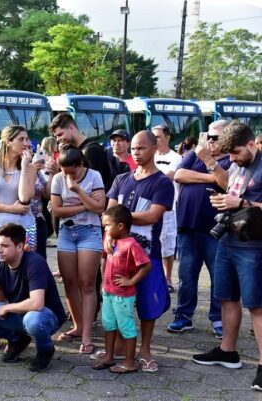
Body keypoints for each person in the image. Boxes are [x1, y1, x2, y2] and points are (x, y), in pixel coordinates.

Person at [192, 122, 262, 392]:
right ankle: (227, 352)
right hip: (229, 240)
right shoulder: (236, 165)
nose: (231, 158)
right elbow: (231, 187)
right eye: (229, 154)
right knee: (227, 297)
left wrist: (243, 204)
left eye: (235, 153)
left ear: (252, 144)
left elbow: (244, 200)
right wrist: (223, 200)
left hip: (254, 245)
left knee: (256, 306)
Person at [106, 130, 174, 373]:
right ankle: (121, 348)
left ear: (155, 148)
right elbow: (108, 214)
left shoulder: (163, 182)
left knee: (147, 305)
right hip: (117, 257)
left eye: (141, 148)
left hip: (146, 255)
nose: (136, 152)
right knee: (116, 302)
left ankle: (145, 349)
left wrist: (119, 219)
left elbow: (152, 216)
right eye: (134, 148)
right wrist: (108, 234)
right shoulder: (121, 179)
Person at [0, 223, 66, 372]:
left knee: (32, 319)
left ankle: (45, 350)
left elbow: (37, 303)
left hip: (47, 316)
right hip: (22, 313)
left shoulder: (35, 263)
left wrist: (6, 307)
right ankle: (17, 340)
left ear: (19, 247)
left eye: (5, 246)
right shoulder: (1, 264)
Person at [0, 124, 40, 352]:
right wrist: (9, 209)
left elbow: (25, 198)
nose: (27, 143)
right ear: (8, 141)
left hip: (23, 231)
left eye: (27, 139)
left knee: (22, 282)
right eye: (22, 139)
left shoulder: (30, 167)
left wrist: (25, 166)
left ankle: (19, 332)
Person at [168, 120, 231, 338]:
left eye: (216, 137)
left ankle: (218, 318)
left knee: (218, 276)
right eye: (210, 137)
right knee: (186, 275)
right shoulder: (195, 153)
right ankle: (183, 316)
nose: (211, 141)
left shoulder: (232, 159)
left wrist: (209, 162)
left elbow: (228, 183)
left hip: (216, 230)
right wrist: (211, 176)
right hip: (188, 226)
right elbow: (179, 175)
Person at [48, 145, 106, 353]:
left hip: (89, 231)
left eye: (72, 172)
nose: (68, 176)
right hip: (66, 233)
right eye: (65, 172)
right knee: (70, 282)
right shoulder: (58, 178)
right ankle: (77, 326)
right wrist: (85, 205)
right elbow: (57, 210)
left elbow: (100, 208)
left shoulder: (94, 176)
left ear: (81, 165)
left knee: (87, 283)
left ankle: (88, 333)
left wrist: (79, 191)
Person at [92, 205, 151, 374]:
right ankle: (109, 356)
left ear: (120, 226)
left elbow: (146, 265)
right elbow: (104, 261)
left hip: (123, 296)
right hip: (109, 292)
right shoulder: (112, 241)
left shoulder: (131, 244)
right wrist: (103, 282)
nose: (105, 229)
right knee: (109, 325)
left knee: (126, 327)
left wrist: (131, 280)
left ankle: (129, 362)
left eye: (107, 225)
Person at [152, 125, 182, 292]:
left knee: (167, 243)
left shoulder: (177, 158)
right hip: (149, 204)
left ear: (167, 137)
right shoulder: (150, 155)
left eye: (158, 137)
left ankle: (168, 278)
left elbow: (168, 176)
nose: (155, 140)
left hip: (169, 206)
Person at [50, 113, 113, 191]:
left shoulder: (92, 150)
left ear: (71, 128)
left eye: (60, 134)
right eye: (56, 136)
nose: (57, 139)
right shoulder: (72, 150)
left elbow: (92, 187)